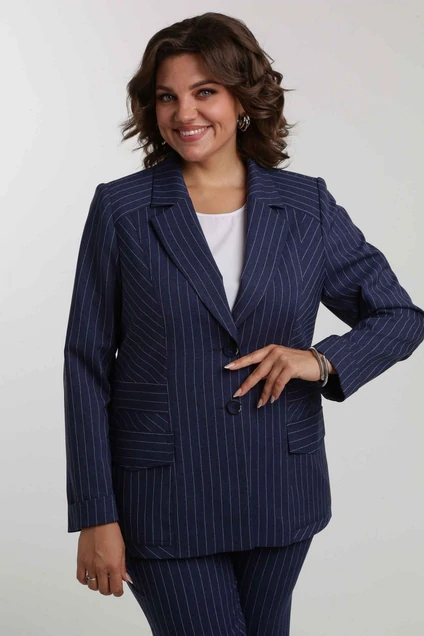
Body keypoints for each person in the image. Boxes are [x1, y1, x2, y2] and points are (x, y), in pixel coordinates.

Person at [63, 12, 424, 635]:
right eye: (167, 97)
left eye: (204, 91)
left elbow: (399, 316)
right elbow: (87, 365)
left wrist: (321, 360)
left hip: (280, 489)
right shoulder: (122, 209)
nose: (184, 113)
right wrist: (95, 512)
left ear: (242, 98)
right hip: (164, 499)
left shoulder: (306, 204)